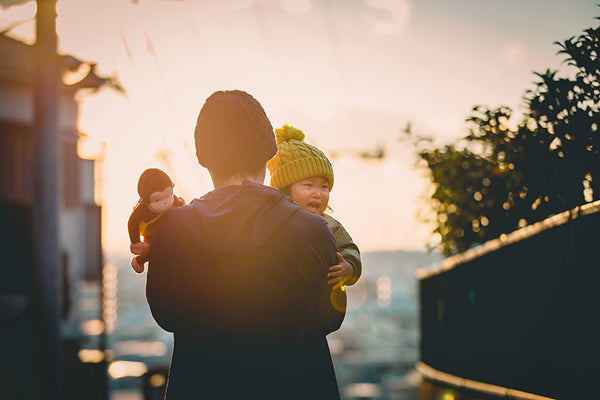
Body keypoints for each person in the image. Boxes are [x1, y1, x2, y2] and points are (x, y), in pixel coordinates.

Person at [145, 90, 346, 399]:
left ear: (205, 159)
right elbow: (329, 317)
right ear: (268, 156)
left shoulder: (171, 229)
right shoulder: (312, 229)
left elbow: (166, 315)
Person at [267, 124, 362, 289]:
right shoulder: (272, 222)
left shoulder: (330, 225)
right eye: (309, 185)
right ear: (285, 190)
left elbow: (349, 249)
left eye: (324, 187)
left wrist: (349, 267)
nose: (318, 193)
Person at [127, 168, 185, 274]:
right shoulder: (142, 210)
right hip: (150, 231)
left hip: (165, 225)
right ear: (146, 201)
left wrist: (182, 205)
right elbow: (132, 223)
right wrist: (135, 242)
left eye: (168, 195)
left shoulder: (172, 200)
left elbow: (177, 202)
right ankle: (138, 261)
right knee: (150, 250)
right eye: (158, 200)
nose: (165, 202)